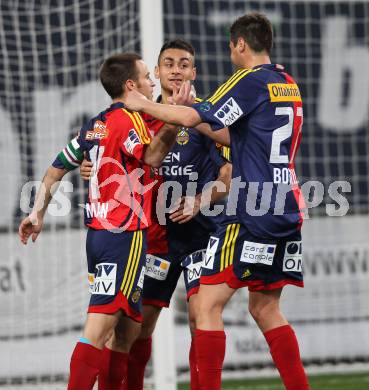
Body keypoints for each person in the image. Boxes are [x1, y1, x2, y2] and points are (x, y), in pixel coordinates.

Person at [124, 12, 310, 390]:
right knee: (265, 307)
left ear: (240, 44)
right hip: (286, 204)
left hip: (250, 211)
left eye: (231, 45)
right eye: (168, 64)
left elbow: (196, 117)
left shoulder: (246, 81)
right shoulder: (288, 83)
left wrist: (143, 105)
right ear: (157, 71)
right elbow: (235, 134)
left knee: (206, 307)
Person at [18, 52, 180, 390]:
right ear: (131, 85)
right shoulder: (128, 120)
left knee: (126, 330)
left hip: (99, 237)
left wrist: (37, 213)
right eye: (148, 77)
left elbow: (55, 169)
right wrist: (175, 120)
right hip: (125, 236)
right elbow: (151, 156)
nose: (153, 82)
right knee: (100, 329)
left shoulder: (96, 124)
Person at [80, 39, 232, 390]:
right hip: (153, 238)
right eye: (168, 63)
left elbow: (229, 175)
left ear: (194, 72)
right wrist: (92, 165)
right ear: (158, 71)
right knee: (135, 328)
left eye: (184, 64)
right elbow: (108, 153)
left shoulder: (208, 116)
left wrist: (199, 200)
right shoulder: (138, 115)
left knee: (201, 318)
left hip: (200, 236)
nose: (176, 69)